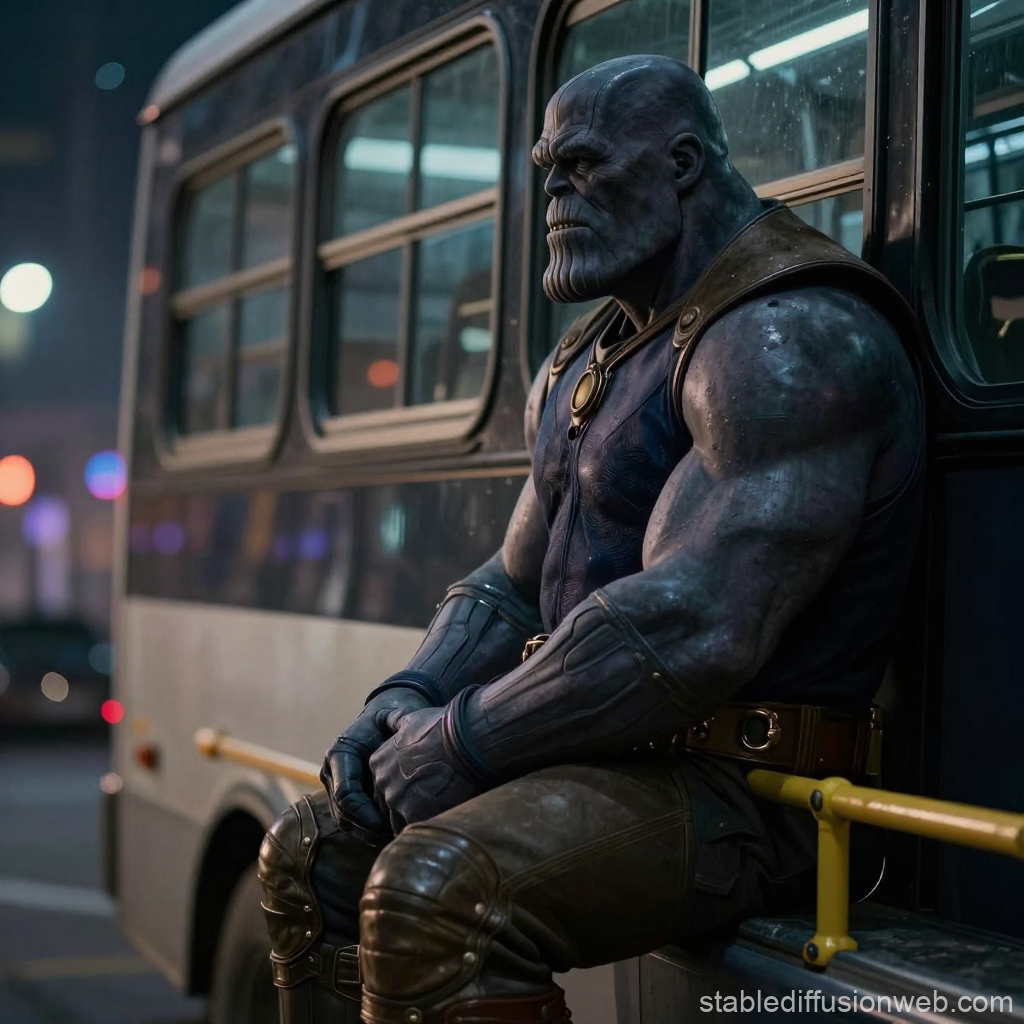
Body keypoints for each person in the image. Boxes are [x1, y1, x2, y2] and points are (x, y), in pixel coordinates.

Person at [258, 54, 924, 1024]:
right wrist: (403, 697)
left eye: (582, 167)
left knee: (437, 889)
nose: (555, 195)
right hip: (618, 757)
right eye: (547, 171)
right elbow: (511, 583)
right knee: (310, 851)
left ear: (682, 163)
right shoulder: (595, 350)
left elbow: (694, 625)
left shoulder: (789, 336)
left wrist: (464, 736)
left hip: (755, 796)